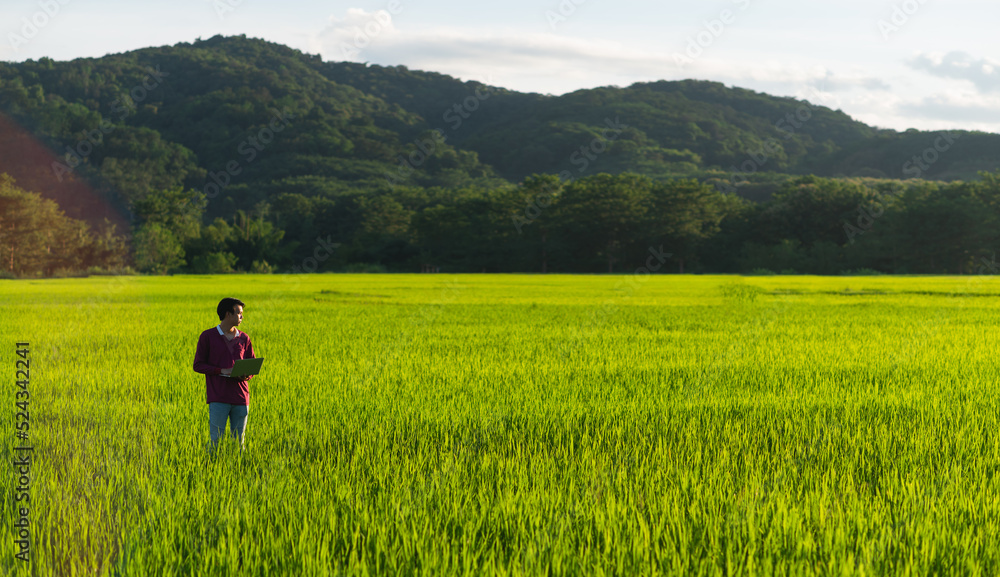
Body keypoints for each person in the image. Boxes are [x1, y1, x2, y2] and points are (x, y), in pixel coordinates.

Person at [193, 297, 256, 452]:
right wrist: (221, 371)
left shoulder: (244, 338)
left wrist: (246, 375)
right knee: (216, 441)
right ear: (228, 314)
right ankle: (212, 470)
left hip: (241, 397)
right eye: (239, 313)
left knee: (239, 443)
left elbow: (252, 364)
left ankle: (238, 471)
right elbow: (198, 365)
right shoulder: (207, 336)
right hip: (218, 398)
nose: (242, 317)